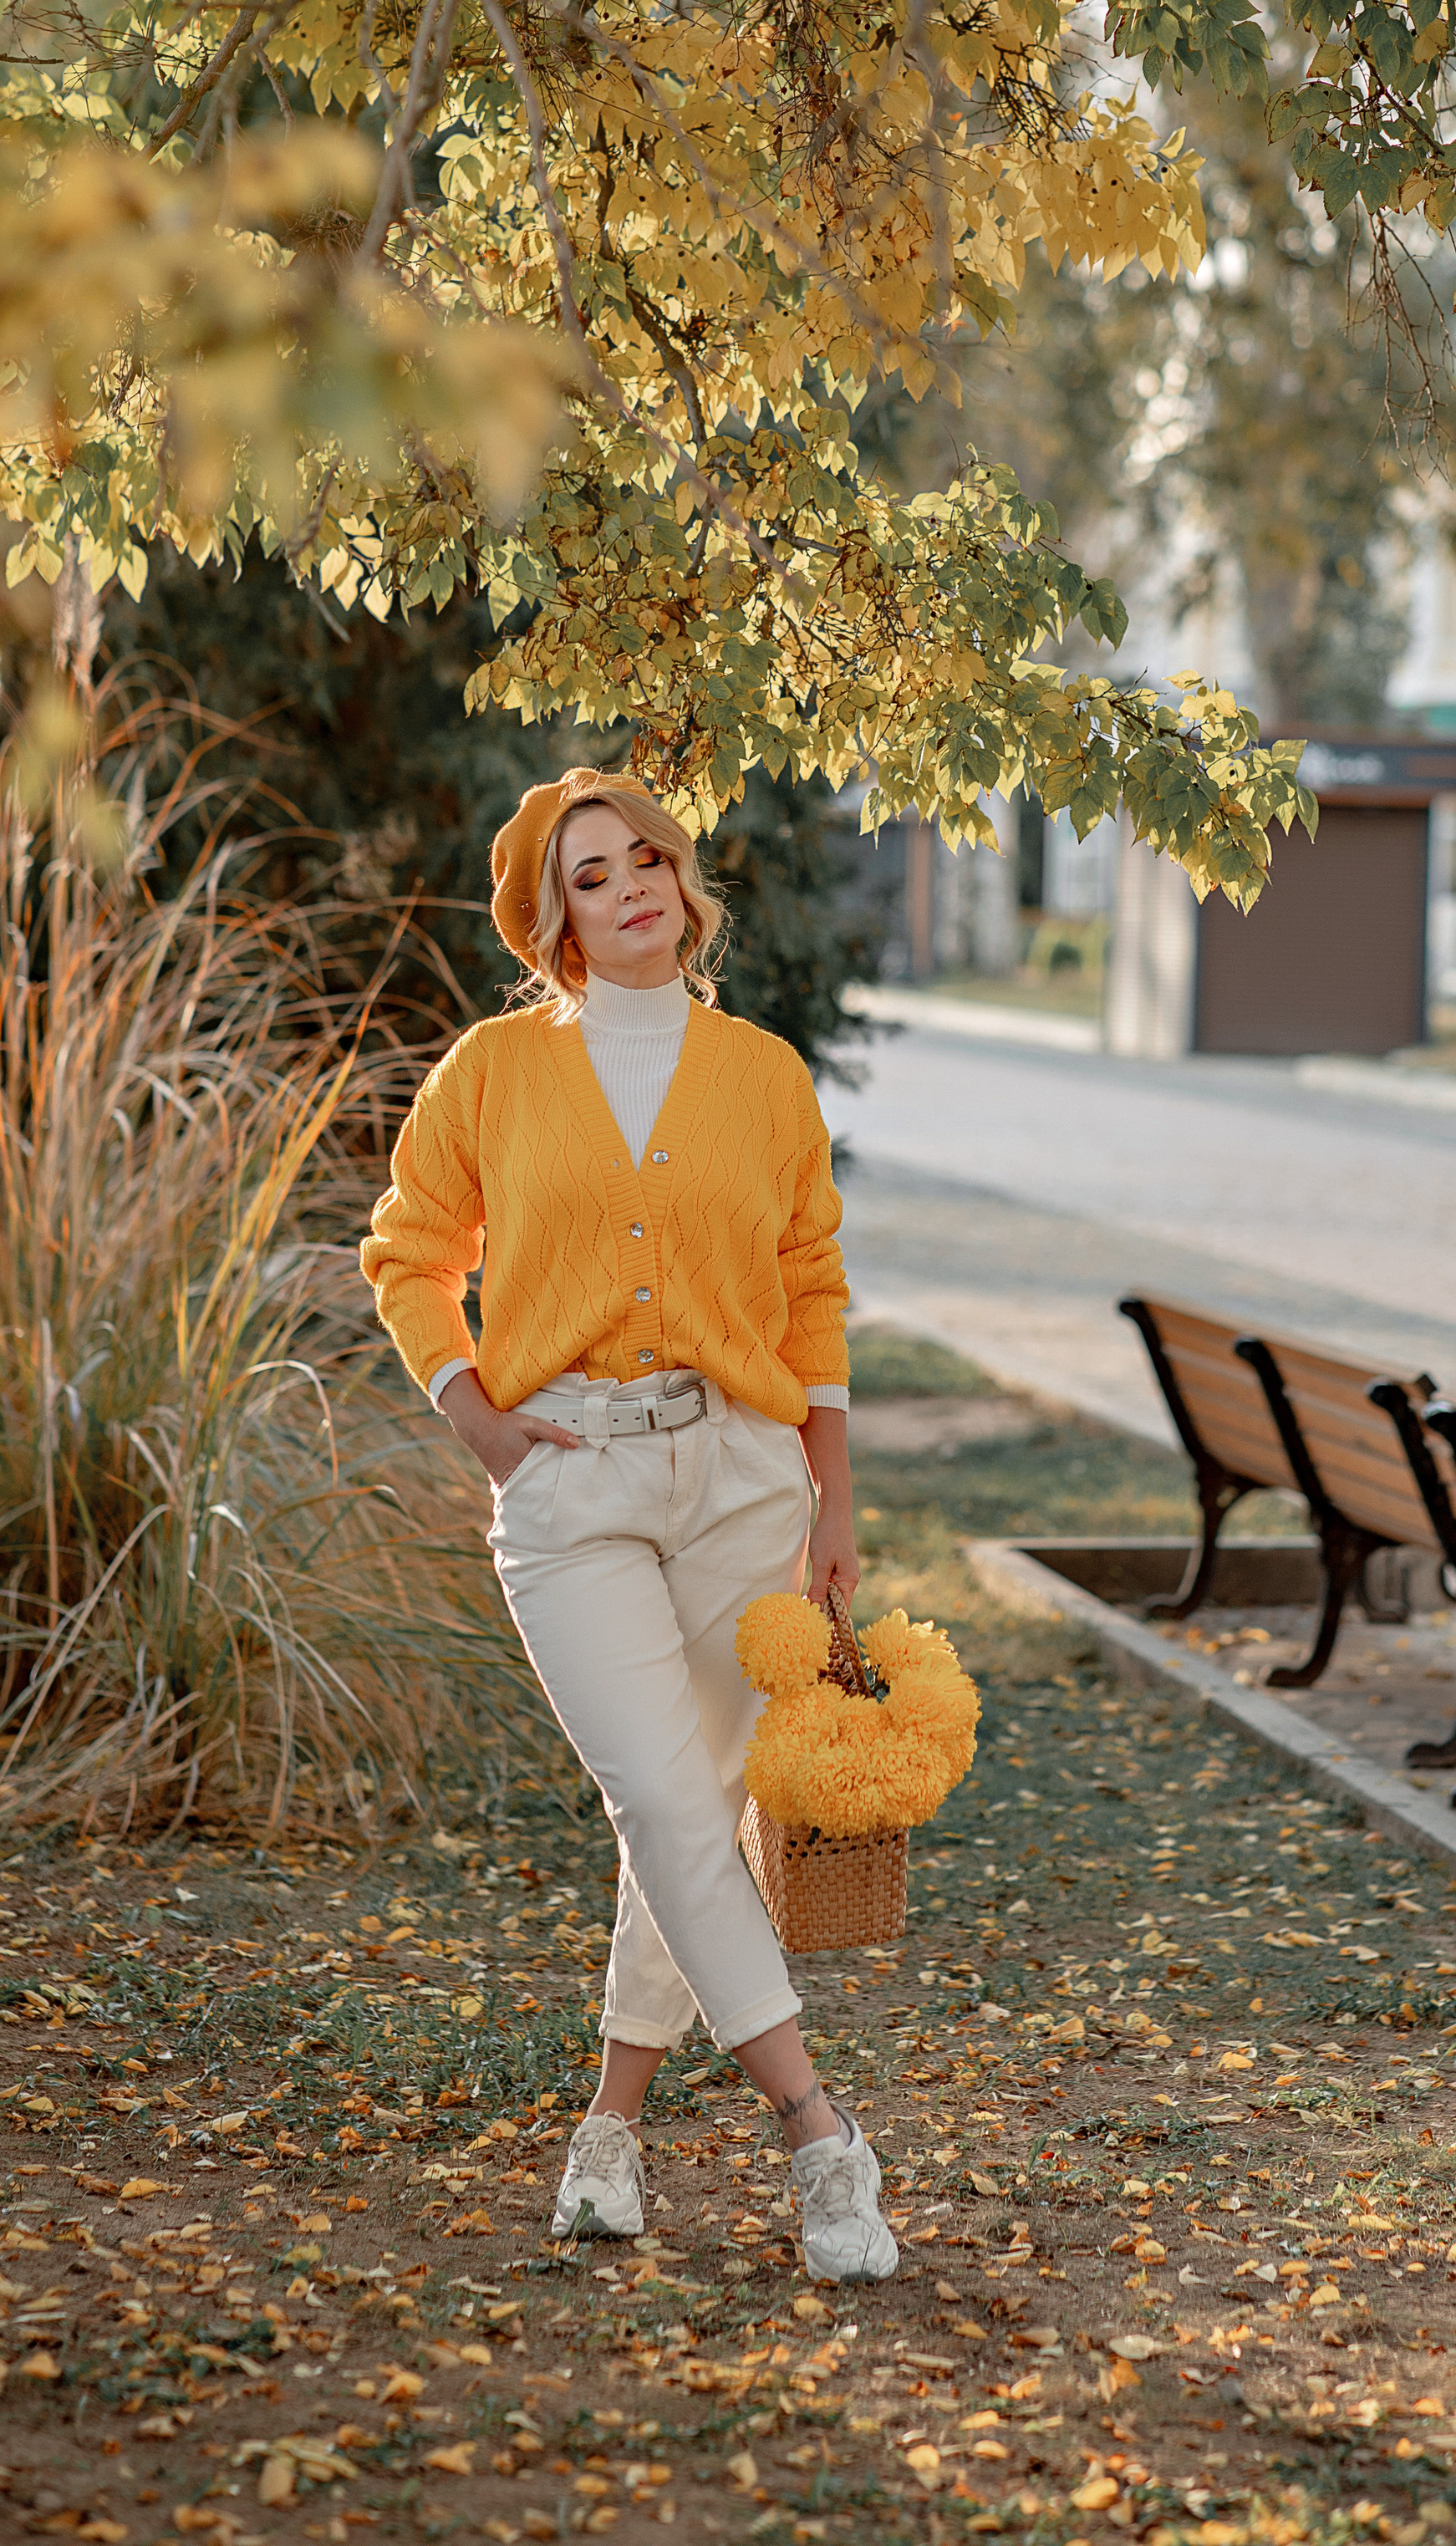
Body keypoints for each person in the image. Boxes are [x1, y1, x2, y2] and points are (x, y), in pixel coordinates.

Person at [359, 768, 898, 2283]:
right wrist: (475, 1414)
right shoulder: (491, 1070)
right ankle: (820, 2135)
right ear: (556, 920)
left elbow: (811, 1289)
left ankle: (609, 2132)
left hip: (743, 1473)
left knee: (688, 1814)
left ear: (682, 879)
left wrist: (832, 1496)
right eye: (594, 875)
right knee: (668, 1805)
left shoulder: (764, 1076)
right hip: (570, 1480)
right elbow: (407, 1250)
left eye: (649, 857)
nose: (635, 885)